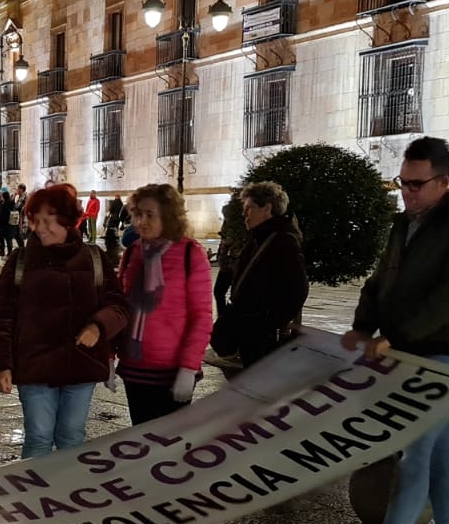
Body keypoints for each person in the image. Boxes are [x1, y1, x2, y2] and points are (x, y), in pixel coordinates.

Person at [336, 136, 449, 524]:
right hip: (412, 352)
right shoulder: (405, 225)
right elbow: (381, 277)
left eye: (417, 185)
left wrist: (396, 336)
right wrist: (364, 324)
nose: (407, 193)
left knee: (417, 452)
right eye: (402, 183)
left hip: (445, 355)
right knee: (438, 452)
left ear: (443, 181)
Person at [0, 185, 130, 457]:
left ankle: (67, 496)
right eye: (34, 219)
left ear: (67, 220)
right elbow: (2, 316)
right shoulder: (21, 260)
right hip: (34, 366)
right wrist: (1, 365)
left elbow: (119, 305)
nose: (39, 228)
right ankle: (33, 497)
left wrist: (98, 326)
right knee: (39, 436)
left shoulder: (94, 258)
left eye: (47, 220)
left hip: (80, 364)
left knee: (72, 436)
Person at [116, 184, 215, 424]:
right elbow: (118, 307)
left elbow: (201, 316)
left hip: (172, 370)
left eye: (150, 215)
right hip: (135, 368)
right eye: (137, 214)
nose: (141, 222)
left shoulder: (190, 253)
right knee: (140, 438)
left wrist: (189, 368)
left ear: (169, 216)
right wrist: (109, 355)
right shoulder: (133, 252)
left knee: (171, 448)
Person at [214, 181, 309, 369]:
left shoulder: (282, 241)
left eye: (249, 208)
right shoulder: (261, 237)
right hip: (250, 330)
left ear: (267, 208)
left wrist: (266, 324)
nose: (244, 214)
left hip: (261, 336)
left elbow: (298, 290)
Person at [0, 190, 18, 257]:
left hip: (4, 224)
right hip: (10, 223)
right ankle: (9, 252)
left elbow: (0, 210)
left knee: (4, 239)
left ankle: (5, 252)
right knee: (9, 239)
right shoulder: (12, 203)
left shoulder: (4, 204)